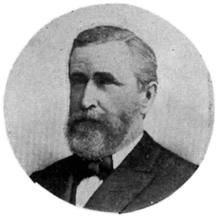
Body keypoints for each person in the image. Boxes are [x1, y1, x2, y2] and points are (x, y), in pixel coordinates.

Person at [30, 25, 198, 213]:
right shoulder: (42, 180)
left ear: (146, 96)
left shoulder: (182, 179)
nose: (85, 101)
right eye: (78, 81)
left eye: (105, 82)